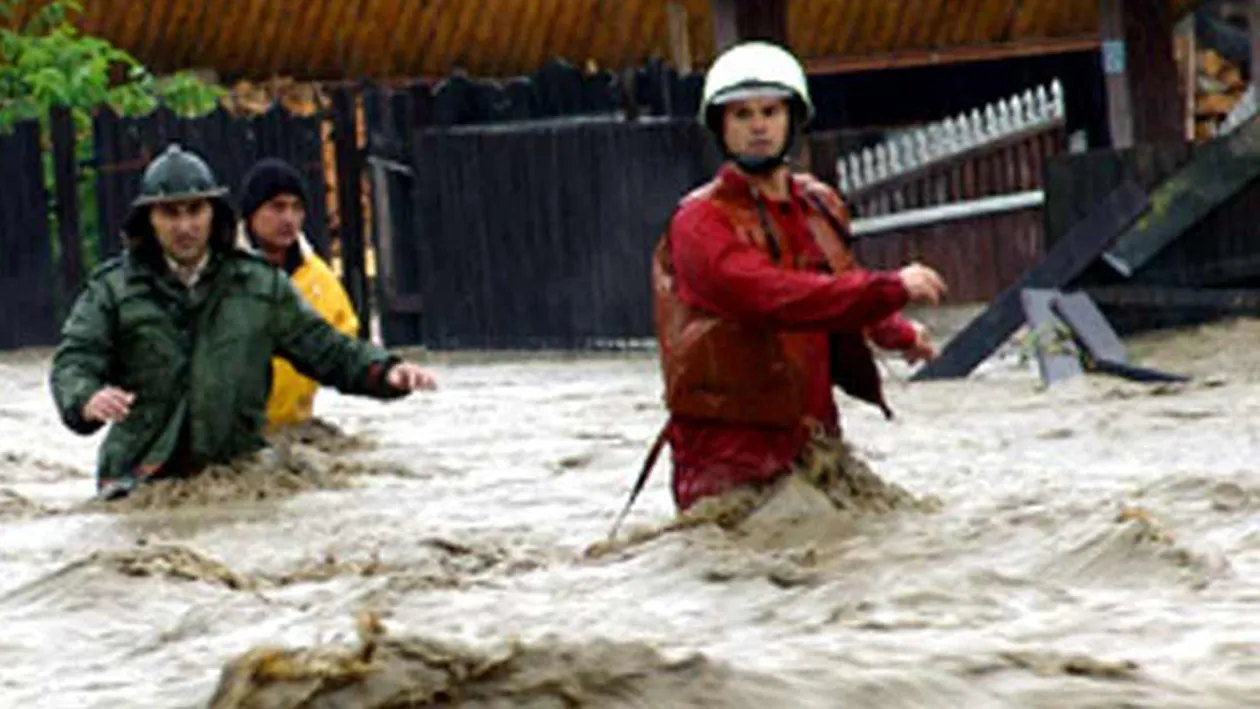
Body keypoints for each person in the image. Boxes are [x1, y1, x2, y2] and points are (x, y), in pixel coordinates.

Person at [650, 41, 949, 517]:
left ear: (792, 119)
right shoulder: (698, 223)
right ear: (721, 127)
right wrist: (889, 288)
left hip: (813, 441)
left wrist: (896, 331)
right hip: (727, 461)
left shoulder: (818, 204)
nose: (758, 126)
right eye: (742, 115)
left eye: (769, 111)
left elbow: (837, 285)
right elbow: (770, 295)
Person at [49, 144, 437, 500]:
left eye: (194, 210)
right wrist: (86, 398)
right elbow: (74, 361)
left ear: (213, 213)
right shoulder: (112, 290)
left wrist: (385, 371)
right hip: (138, 478)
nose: (185, 227)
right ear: (148, 219)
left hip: (235, 472)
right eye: (170, 212)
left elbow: (326, 348)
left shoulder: (260, 285)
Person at [235, 157, 358, 430]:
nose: (288, 219)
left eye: (296, 208)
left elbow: (347, 352)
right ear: (251, 213)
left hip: (294, 429)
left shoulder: (319, 280)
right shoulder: (222, 274)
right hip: (234, 436)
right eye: (277, 207)